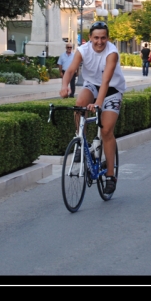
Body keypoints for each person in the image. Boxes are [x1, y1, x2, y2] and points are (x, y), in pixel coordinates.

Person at [59, 21, 125, 195]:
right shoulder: (83, 50)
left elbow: (106, 81)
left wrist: (98, 103)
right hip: (92, 86)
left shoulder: (112, 53)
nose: (99, 42)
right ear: (90, 38)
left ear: (107, 38)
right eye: (96, 38)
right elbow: (70, 69)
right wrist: (65, 85)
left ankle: (110, 176)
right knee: (79, 104)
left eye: (103, 38)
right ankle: (81, 140)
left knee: (106, 131)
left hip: (112, 90)